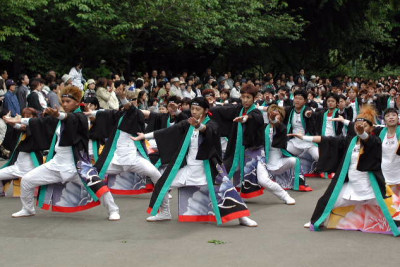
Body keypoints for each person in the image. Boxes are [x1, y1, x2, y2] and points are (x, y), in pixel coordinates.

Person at [133, 97, 257, 226]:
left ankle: (242, 218)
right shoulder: (188, 124)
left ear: (205, 111)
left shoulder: (212, 124)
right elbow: (168, 131)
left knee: (226, 191)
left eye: (198, 109)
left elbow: (209, 130)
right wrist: (144, 136)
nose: (194, 111)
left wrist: (200, 126)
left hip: (207, 169)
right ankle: (164, 212)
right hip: (188, 168)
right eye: (192, 109)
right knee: (162, 184)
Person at [7, 85, 120, 220]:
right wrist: (18, 121)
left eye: (68, 102)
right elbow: (41, 122)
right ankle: (27, 209)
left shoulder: (81, 118)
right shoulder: (58, 119)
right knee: (27, 180)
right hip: (56, 164)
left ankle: (113, 210)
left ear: (77, 103)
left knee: (98, 185)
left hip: (76, 165)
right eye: (63, 102)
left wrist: (59, 114)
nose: (65, 104)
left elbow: (70, 119)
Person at [297, 105, 400, 236]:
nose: (360, 127)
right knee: (326, 201)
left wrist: (362, 133)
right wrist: (304, 138)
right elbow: (328, 140)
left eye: (364, 126)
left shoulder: (375, 141)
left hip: (371, 189)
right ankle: (317, 221)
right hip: (351, 188)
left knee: (394, 207)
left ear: (371, 128)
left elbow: (368, 140)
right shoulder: (349, 141)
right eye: (357, 125)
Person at [211, 84, 296, 204]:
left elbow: (256, 119)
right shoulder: (238, 109)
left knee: (263, 180)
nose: (245, 100)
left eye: (248, 97)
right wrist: (206, 110)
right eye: (243, 97)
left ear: (254, 98)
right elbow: (221, 111)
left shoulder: (256, 112)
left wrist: (246, 119)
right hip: (238, 152)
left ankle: (285, 195)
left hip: (255, 153)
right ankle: (217, 201)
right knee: (223, 173)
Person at [0, 108, 42, 195]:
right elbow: (19, 128)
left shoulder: (37, 127)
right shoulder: (24, 129)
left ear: (34, 117)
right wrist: (9, 121)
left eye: (28, 117)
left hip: (31, 169)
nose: (25, 119)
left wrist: (10, 120)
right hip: (17, 167)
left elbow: (22, 127)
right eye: (24, 116)